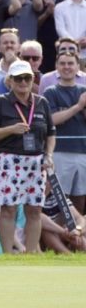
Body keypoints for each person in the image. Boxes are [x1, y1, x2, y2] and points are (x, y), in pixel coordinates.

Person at [0, 60, 56, 254]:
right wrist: (11, 129)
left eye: (26, 77)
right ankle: (8, 255)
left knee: (34, 210)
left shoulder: (42, 102)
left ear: (32, 79)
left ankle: (30, 253)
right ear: (10, 80)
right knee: (8, 208)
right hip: (9, 160)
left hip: (36, 161)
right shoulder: (1, 102)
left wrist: (49, 155)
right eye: (18, 78)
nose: (23, 82)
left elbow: (51, 133)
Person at [43, 51, 86, 214]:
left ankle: (77, 237)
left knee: (80, 198)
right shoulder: (50, 91)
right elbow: (52, 120)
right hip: (59, 151)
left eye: (70, 63)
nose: (66, 67)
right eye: (63, 63)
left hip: (83, 151)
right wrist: (78, 107)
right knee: (60, 199)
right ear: (56, 67)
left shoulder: (84, 90)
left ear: (77, 67)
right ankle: (62, 235)